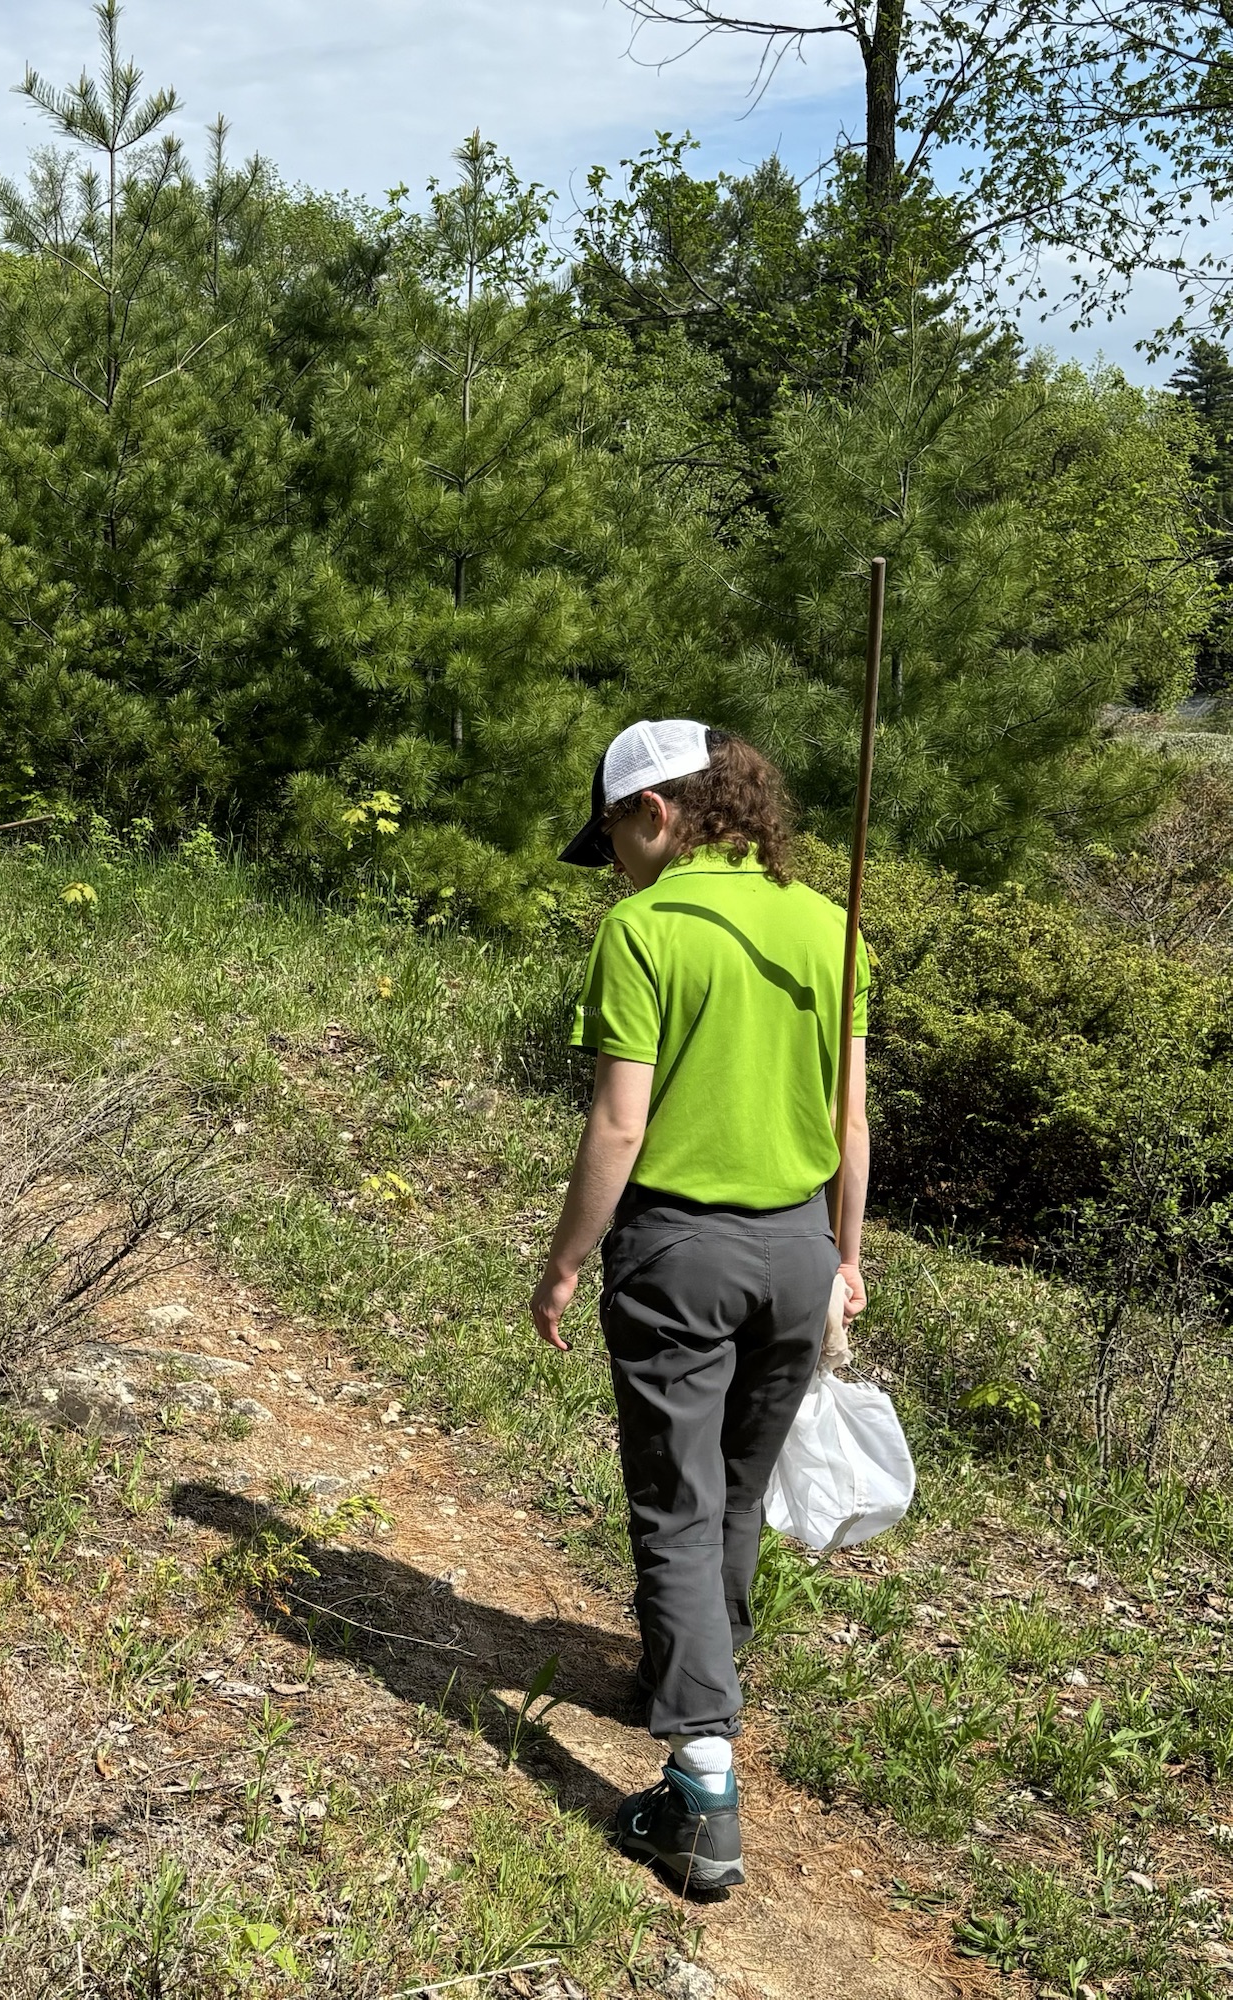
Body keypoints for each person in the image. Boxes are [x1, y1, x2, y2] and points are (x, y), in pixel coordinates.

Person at [529, 718, 870, 1895]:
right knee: (730, 1490)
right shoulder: (827, 924)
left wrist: (563, 1260)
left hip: (678, 1249)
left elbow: (618, 1121)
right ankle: (693, 1675)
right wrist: (843, 1257)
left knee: (676, 1502)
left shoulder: (644, 928)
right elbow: (848, 1119)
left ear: (656, 812)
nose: (614, 866)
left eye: (613, 839)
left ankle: (700, 1797)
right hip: (797, 1248)